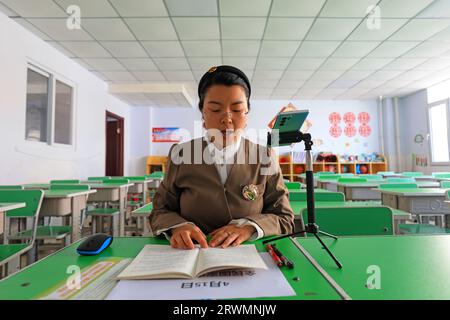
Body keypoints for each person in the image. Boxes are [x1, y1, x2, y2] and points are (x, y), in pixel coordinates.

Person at [149, 65, 300, 250]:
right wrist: (178, 226)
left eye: (236, 110)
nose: (227, 119)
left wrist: (249, 228)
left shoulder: (264, 156)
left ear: (246, 115)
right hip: (192, 253)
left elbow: (284, 218)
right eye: (215, 109)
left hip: (251, 255)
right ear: (203, 114)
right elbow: (160, 210)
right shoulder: (181, 154)